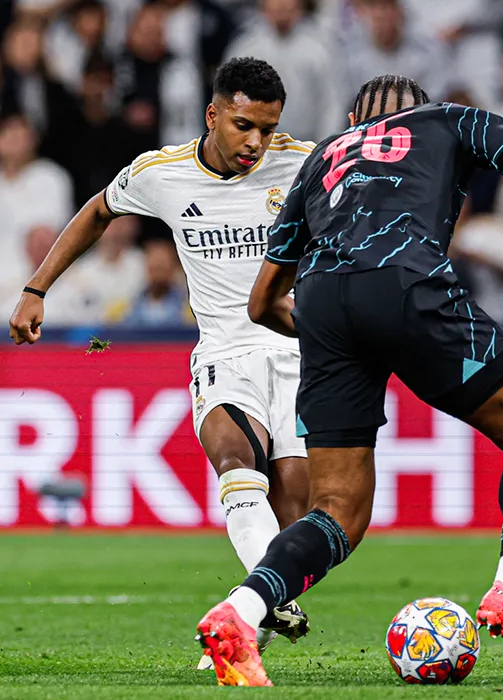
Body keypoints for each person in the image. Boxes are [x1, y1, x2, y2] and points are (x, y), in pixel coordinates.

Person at [195, 74, 503, 687]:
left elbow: (261, 303)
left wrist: (340, 338)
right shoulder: (448, 120)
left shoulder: (323, 156)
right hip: (408, 279)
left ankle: (240, 614)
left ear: (357, 117)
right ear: (419, 109)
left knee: (336, 514)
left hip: (323, 305)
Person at [8, 57, 315, 667]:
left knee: (298, 522)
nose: (256, 141)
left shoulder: (303, 162)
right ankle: (266, 605)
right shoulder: (162, 173)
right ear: (213, 114)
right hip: (224, 355)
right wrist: (37, 289)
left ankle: (246, 613)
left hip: (301, 355)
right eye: (243, 125)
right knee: (235, 460)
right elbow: (99, 210)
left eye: (267, 127)